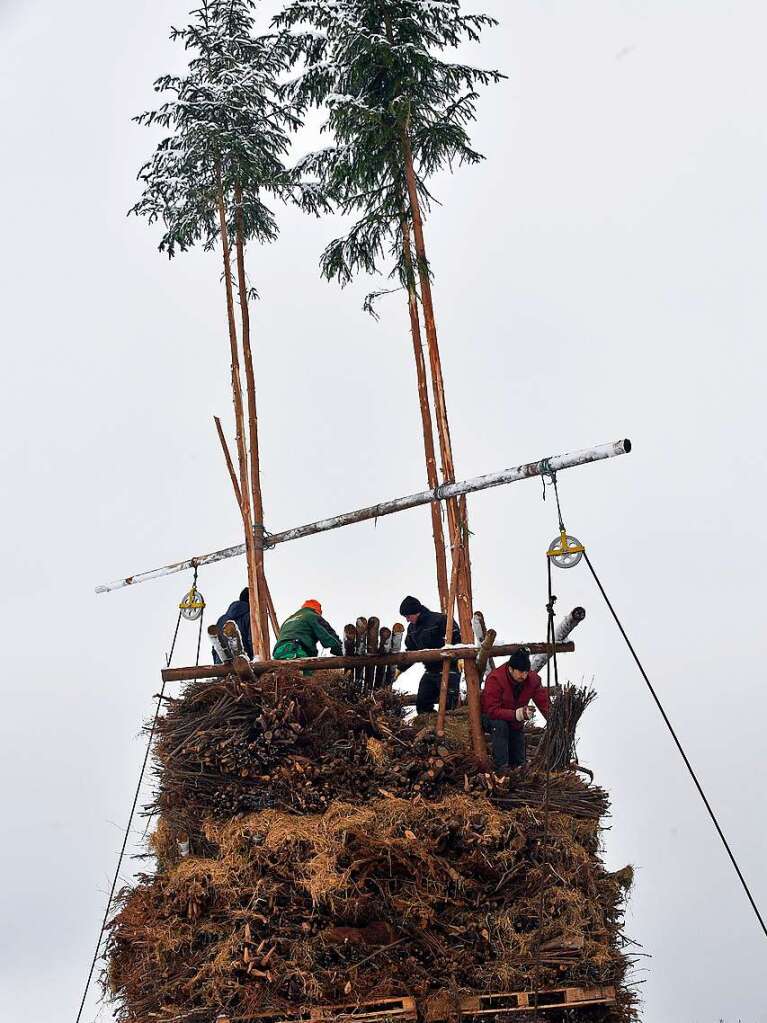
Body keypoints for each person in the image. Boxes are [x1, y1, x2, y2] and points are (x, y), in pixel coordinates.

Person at [481, 648, 551, 770]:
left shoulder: (532, 680)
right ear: (510, 669)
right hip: (491, 719)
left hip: (514, 721)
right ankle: (501, 769)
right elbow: (492, 710)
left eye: (526, 672)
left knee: (519, 755)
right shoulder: (495, 679)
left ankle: (518, 769)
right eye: (520, 672)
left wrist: (553, 719)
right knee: (500, 726)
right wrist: (516, 714)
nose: (524, 676)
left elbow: (544, 702)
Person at [399, 595, 461, 714]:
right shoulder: (412, 629)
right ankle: (430, 726)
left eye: (408, 616)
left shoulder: (440, 620)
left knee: (450, 705)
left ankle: (447, 727)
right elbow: (411, 652)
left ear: (416, 612)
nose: (407, 620)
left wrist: (460, 658)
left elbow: (457, 638)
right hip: (430, 671)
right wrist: (400, 669)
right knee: (422, 703)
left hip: (449, 668)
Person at [273, 599, 342, 661]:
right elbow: (328, 634)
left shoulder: (288, 620)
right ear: (317, 611)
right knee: (307, 673)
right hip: (295, 650)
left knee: (283, 673)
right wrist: (339, 647)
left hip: (278, 652)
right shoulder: (312, 616)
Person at [212, 587, 253, 662]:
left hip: (221, 666)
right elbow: (251, 641)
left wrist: (216, 663)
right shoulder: (250, 616)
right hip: (242, 663)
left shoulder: (221, 619)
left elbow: (215, 646)